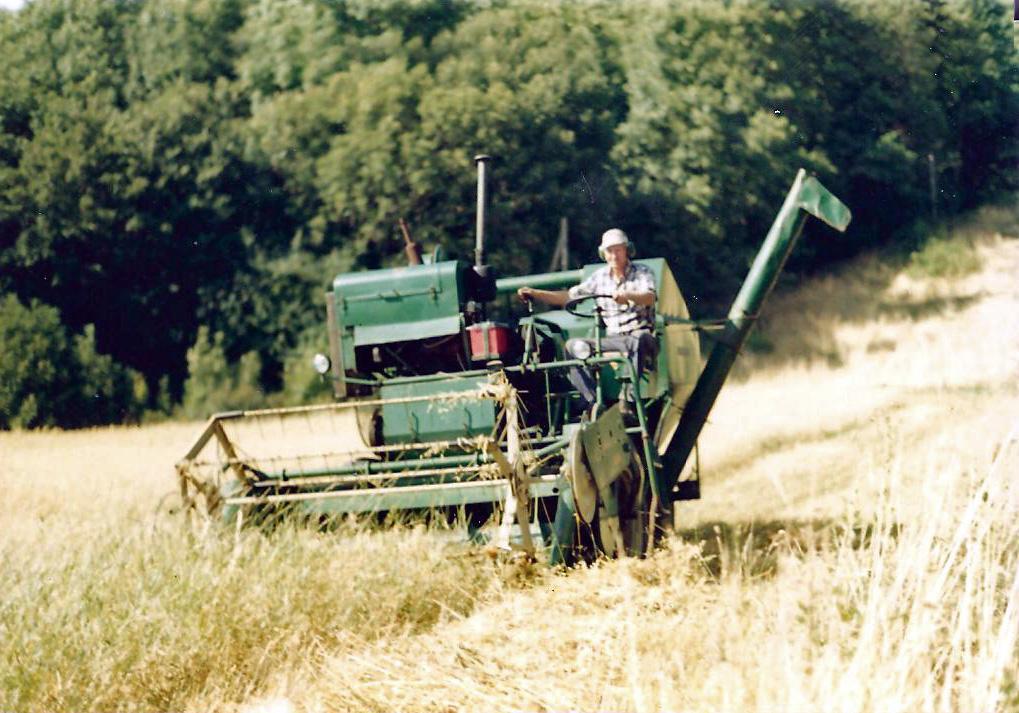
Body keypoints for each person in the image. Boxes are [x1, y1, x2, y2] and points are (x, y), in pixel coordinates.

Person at [517, 228, 658, 414]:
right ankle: (591, 403)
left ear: (627, 250)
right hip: (614, 339)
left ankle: (627, 401)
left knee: (638, 340)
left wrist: (628, 296)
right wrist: (536, 293)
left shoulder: (642, 272)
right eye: (610, 251)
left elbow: (650, 297)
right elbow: (568, 296)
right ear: (603, 254)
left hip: (642, 335)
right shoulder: (599, 278)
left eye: (618, 250)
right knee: (572, 347)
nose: (614, 255)